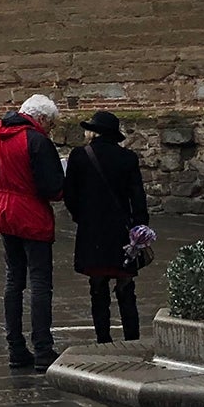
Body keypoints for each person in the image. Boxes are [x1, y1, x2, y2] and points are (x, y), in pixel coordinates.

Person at [0, 93, 65, 371]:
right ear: (41, 118)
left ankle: (16, 347)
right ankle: (43, 348)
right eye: (50, 124)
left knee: (14, 279)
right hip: (30, 213)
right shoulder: (36, 140)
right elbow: (52, 187)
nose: (49, 130)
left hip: (4, 209)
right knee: (40, 281)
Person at [63, 110, 151, 343]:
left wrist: (81, 217)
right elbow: (137, 197)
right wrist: (140, 228)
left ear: (94, 132)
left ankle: (103, 337)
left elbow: (70, 195)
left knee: (97, 286)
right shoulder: (128, 158)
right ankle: (132, 337)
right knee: (126, 285)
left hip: (92, 231)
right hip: (122, 231)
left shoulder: (79, 156)